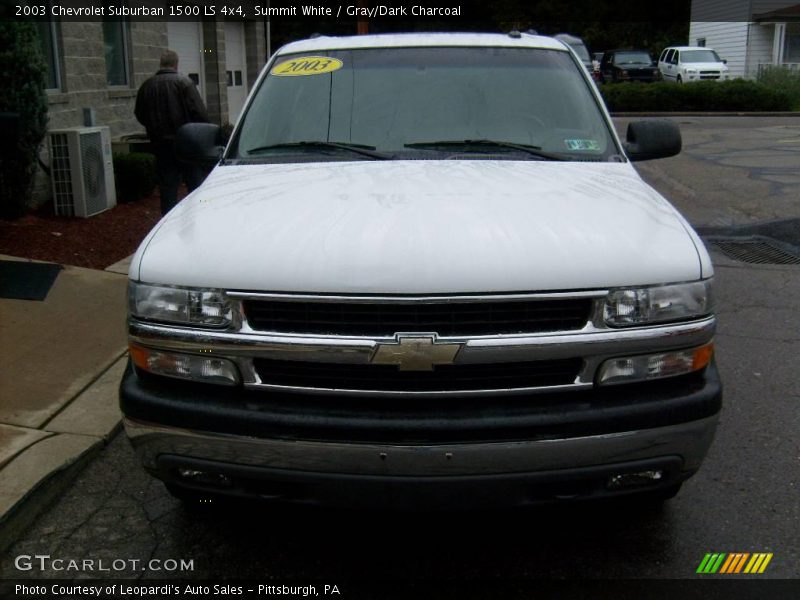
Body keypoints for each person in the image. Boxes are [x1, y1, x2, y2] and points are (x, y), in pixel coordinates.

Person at [135, 50, 209, 215]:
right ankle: (197, 215)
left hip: (160, 144)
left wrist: (152, 128)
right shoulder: (184, 83)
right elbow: (199, 113)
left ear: (161, 64)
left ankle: (168, 220)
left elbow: (139, 113)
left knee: (167, 187)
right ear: (176, 64)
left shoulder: (147, 86)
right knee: (195, 184)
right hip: (186, 143)